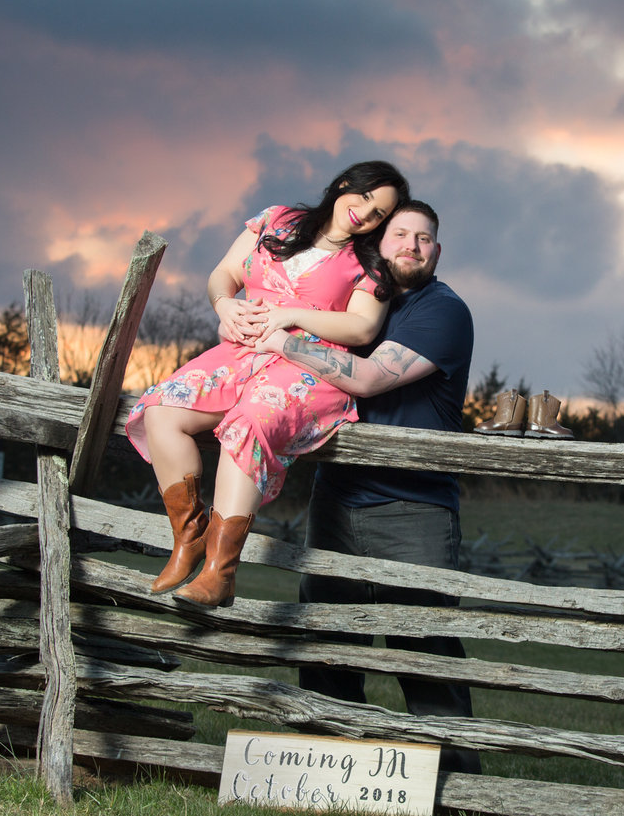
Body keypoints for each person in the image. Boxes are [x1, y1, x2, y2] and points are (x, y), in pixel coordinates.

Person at [253, 200, 481, 774]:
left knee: (423, 648)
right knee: (328, 644)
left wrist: (280, 334)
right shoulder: (353, 302)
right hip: (336, 496)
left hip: (414, 507)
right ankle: (319, 779)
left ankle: (459, 790)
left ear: (437, 251)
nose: (412, 245)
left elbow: (371, 377)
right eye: (400, 233)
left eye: (425, 237)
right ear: (379, 243)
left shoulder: (442, 310)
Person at [125, 160, 410, 608]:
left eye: (380, 213)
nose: (367, 213)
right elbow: (224, 274)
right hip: (242, 352)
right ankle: (188, 538)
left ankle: (220, 571)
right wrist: (224, 305)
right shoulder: (275, 220)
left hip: (308, 367)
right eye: (366, 196)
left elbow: (361, 329)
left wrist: (292, 316)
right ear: (344, 185)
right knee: (161, 410)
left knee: (249, 422)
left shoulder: (370, 262)